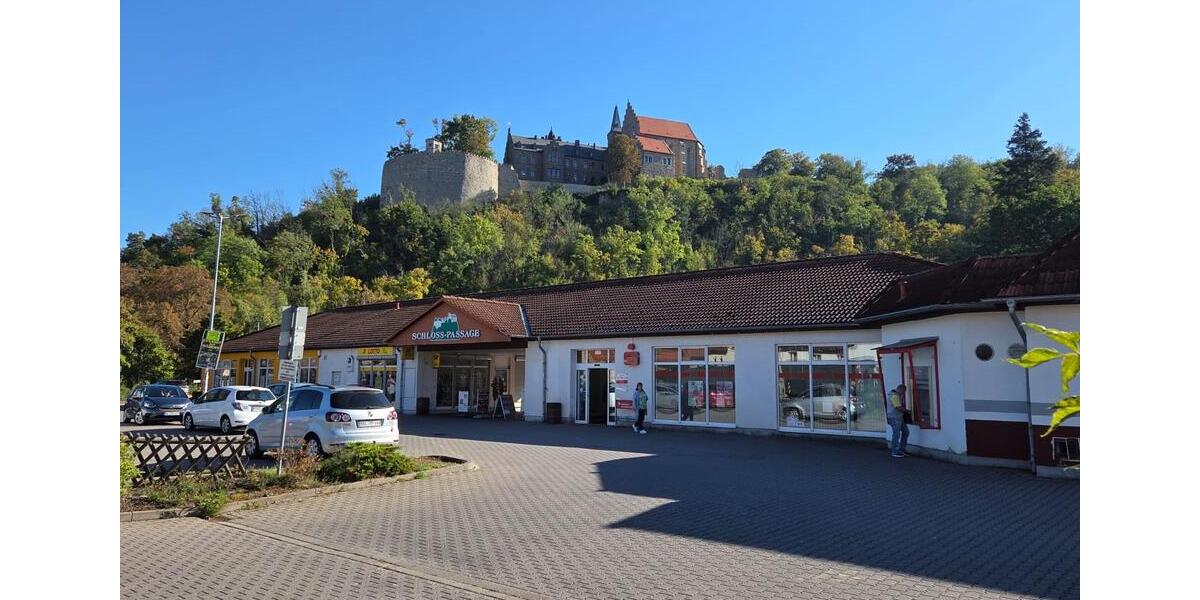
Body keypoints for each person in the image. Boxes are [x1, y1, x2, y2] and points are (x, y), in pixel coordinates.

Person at [887, 384, 909, 457]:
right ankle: (895, 451)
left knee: (906, 432)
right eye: (903, 392)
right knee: (896, 434)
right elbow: (898, 407)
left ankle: (901, 449)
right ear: (900, 389)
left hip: (898, 417)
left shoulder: (896, 395)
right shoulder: (895, 396)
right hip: (894, 418)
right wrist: (907, 411)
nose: (903, 393)